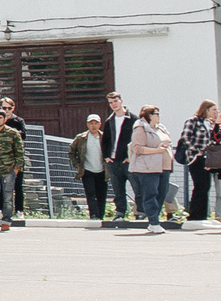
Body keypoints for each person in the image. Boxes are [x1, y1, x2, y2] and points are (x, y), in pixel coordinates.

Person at [126, 106, 173, 228]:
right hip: (148, 167)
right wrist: (156, 150)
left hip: (164, 166)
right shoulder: (141, 128)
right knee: (151, 193)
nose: (158, 115)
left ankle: (154, 219)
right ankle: (153, 221)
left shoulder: (161, 128)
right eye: (156, 113)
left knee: (162, 193)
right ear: (149, 115)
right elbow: (138, 148)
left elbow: (169, 142)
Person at [177, 101, 217, 223]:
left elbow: (213, 139)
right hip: (195, 158)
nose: (216, 112)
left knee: (206, 186)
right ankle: (194, 214)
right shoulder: (193, 121)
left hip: (207, 158)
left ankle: (203, 215)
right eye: (214, 110)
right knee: (199, 185)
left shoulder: (210, 124)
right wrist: (196, 150)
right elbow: (185, 137)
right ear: (206, 109)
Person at [102, 92, 136, 221]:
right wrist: (106, 157)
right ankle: (120, 213)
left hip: (128, 160)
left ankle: (141, 212)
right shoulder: (110, 121)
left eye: (115, 101)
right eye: (111, 103)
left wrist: (131, 156)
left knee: (137, 187)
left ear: (121, 101)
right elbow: (105, 140)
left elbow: (136, 139)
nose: (113, 105)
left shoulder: (133, 119)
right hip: (113, 161)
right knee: (118, 190)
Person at [0, 101, 24, 230]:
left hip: (8, 168)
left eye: (0, 118)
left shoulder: (13, 133)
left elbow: (20, 151)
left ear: (5, 119)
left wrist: (17, 168)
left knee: (8, 195)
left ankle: (6, 220)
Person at [70, 115, 110, 222]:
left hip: (102, 170)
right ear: (87, 124)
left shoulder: (105, 137)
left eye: (96, 123)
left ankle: (101, 215)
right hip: (87, 170)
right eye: (91, 123)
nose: (93, 126)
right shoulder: (81, 138)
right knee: (90, 193)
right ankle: (93, 215)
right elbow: (71, 152)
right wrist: (77, 165)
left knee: (101, 195)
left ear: (100, 124)